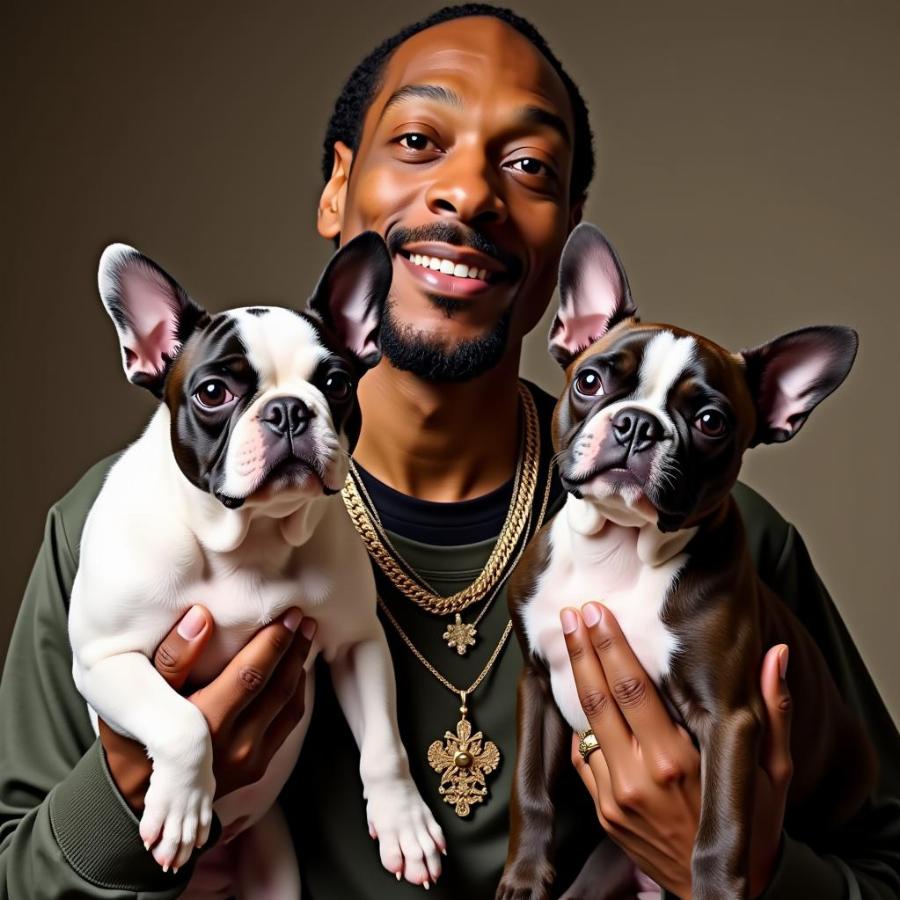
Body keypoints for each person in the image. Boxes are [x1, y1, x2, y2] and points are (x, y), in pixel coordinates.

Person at [1, 5, 898, 899]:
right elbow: (15, 873)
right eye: (421, 139)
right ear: (336, 188)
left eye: (529, 165)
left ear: (566, 235)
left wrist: (746, 873)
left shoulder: (724, 539)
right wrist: (124, 788)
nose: (469, 193)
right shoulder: (119, 524)